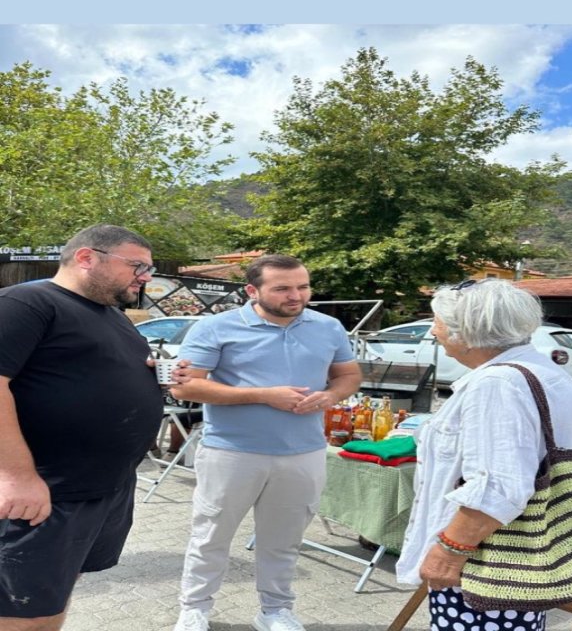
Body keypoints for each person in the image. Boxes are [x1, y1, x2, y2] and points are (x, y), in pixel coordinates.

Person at [169, 254, 363, 631]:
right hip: (231, 450)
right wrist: (263, 395)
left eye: (303, 286)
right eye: (283, 288)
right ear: (252, 290)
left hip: (304, 452)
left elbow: (349, 375)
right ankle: (194, 609)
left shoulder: (328, 327)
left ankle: (275, 611)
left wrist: (330, 396)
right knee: (211, 535)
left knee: (284, 540)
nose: (296, 295)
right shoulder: (217, 327)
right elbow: (185, 384)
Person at [0, 224, 165, 631]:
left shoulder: (116, 318)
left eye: (149, 268)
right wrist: (16, 476)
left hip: (105, 489)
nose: (145, 277)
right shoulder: (26, 302)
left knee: (52, 596)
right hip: (45, 491)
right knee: (21, 613)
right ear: (87, 258)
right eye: (137, 265)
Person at [395, 279, 572, 631]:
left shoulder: (497, 384)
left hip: (485, 558)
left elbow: (499, 486)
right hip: (526, 549)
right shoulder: (542, 371)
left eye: (437, 322)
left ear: (466, 332)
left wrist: (449, 550)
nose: (433, 331)